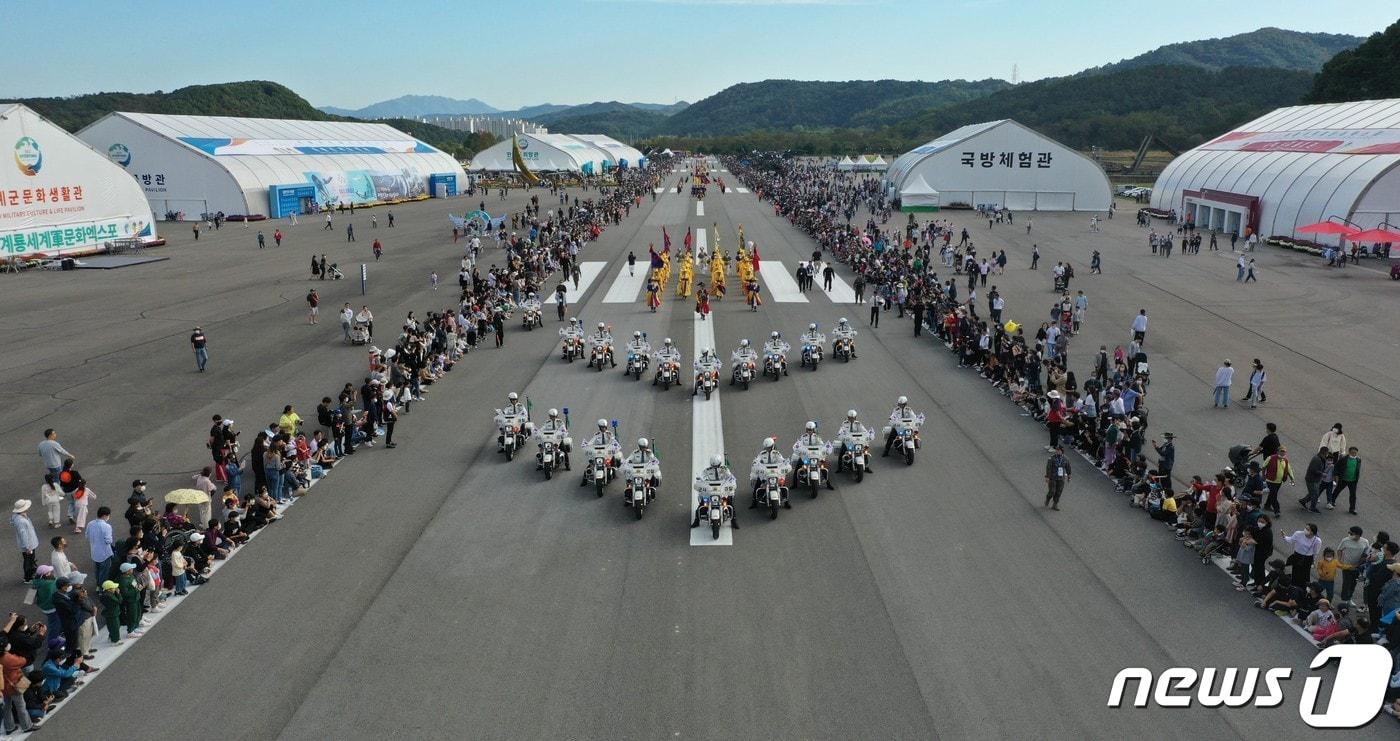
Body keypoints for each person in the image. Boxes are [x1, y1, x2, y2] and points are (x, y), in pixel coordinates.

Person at [690, 455, 738, 529]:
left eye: (717, 465)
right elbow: (701, 479)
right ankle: (696, 521)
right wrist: (700, 484)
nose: (715, 467)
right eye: (713, 466)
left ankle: (734, 521)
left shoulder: (725, 469)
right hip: (710, 492)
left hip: (722, 492)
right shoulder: (706, 470)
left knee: (729, 503)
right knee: (703, 503)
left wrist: (731, 483)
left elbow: (731, 478)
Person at [748, 438, 792, 508]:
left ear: (772, 446)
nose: (767, 449)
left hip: (775, 472)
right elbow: (757, 460)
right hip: (765, 473)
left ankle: (786, 502)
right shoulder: (762, 454)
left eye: (769, 447)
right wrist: (755, 463)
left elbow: (782, 460)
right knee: (757, 486)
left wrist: (785, 463)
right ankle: (754, 502)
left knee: (783, 485)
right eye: (766, 447)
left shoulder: (776, 453)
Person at [10, 501, 37, 584]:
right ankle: (28, 578)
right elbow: (23, 535)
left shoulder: (16, 516)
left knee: (28, 560)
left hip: (28, 544)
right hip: (29, 545)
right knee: (29, 561)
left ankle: (29, 575)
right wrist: (27, 547)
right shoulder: (21, 521)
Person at [1261, 447, 1294, 516]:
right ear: (1278, 451)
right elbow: (1264, 467)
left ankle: (1267, 505)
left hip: (1279, 482)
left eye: (1284, 451)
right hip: (1270, 480)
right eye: (1281, 451)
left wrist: (1292, 478)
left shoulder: (1285, 460)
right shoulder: (1271, 458)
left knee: (1272, 494)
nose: (1283, 453)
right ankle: (1277, 511)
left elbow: (1289, 469)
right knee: (1274, 495)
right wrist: (1263, 476)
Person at [1332, 446, 1362, 514]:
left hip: (1353, 480)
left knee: (1353, 495)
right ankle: (1332, 501)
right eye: (1352, 453)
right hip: (1343, 479)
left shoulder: (1358, 459)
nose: (1354, 454)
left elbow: (1357, 469)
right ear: (1349, 452)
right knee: (1337, 490)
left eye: (1355, 453)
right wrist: (1336, 476)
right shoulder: (1344, 459)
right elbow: (1336, 466)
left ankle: (1352, 509)